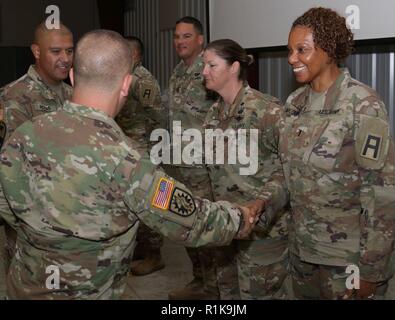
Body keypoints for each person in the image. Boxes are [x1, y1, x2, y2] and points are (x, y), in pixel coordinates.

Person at [0, 29, 256, 300]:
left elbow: (6, 206)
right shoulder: (127, 162)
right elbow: (193, 221)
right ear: (126, 85)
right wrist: (240, 217)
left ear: (73, 77)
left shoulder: (24, 134)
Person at [284, 7, 395, 299]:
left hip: (345, 259)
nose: (291, 59)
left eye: (302, 50)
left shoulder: (362, 104)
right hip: (302, 253)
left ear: (329, 49)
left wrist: (371, 270)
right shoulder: (295, 103)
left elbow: (381, 192)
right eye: (290, 50)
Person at [202, 39, 290, 299]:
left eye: (211, 65)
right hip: (225, 227)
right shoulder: (212, 116)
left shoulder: (267, 112)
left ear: (234, 67)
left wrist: (262, 203)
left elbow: (288, 171)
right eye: (203, 66)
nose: (204, 72)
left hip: (262, 232)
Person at [0, 20, 74, 272]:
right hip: (31, 227)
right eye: (56, 51)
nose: (65, 58)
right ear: (36, 51)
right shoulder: (14, 97)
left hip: (71, 221)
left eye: (69, 50)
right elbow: (11, 172)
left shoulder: (75, 96)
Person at [165, 16, 225, 300]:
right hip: (178, 165)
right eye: (177, 36)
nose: (180, 42)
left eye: (186, 36)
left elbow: (225, 111)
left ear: (200, 40)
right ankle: (199, 280)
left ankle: (214, 288)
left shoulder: (210, 70)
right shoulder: (178, 71)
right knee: (184, 224)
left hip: (203, 167)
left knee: (205, 227)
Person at [114, 36, 165, 276]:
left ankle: (154, 254)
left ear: (137, 56)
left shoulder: (143, 80)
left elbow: (156, 115)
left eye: (127, 52)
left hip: (143, 146)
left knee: (148, 198)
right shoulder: (121, 75)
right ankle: (140, 248)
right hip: (126, 145)